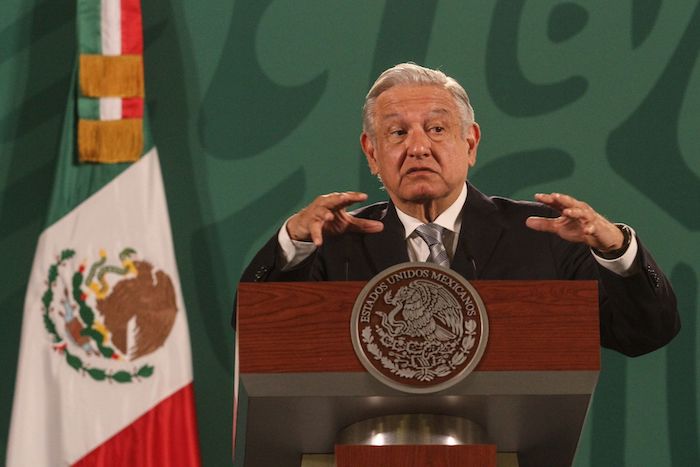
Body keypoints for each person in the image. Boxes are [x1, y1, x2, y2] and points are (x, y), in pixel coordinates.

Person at [239, 63, 679, 357]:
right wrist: (293, 242)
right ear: (371, 153)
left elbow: (645, 333)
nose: (417, 147)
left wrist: (616, 249)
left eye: (436, 128)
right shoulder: (335, 246)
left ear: (470, 143)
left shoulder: (542, 236)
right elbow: (257, 338)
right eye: (396, 133)